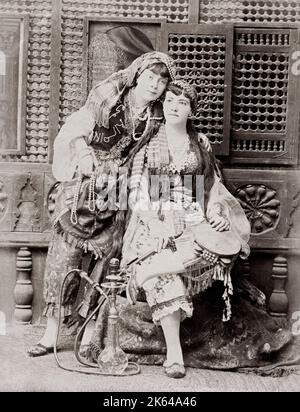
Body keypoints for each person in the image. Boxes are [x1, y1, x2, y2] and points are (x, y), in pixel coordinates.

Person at [27, 51, 178, 357]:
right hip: (86, 182)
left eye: (162, 81)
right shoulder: (108, 97)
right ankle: (51, 332)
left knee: (110, 259)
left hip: (121, 190)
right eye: (150, 77)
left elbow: (160, 153)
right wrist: (84, 154)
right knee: (65, 252)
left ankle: (86, 331)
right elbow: (73, 131)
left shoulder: (158, 116)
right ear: (137, 76)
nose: (155, 85)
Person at [120, 80, 251, 378]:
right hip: (153, 217)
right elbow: (136, 189)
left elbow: (213, 188)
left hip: (193, 217)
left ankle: (145, 273)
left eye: (181, 103)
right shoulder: (149, 141)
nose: (174, 107)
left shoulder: (199, 144)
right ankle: (175, 354)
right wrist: (153, 221)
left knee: (217, 251)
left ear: (191, 110)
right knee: (165, 270)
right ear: (162, 105)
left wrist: (217, 214)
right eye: (169, 101)